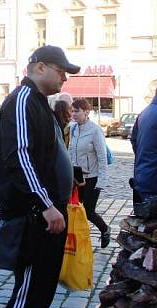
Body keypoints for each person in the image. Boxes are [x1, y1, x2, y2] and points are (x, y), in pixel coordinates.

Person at [0, 45, 78, 308]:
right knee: (27, 293)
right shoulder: (23, 99)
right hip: (32, 216)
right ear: (38, 67)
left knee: (42, 291)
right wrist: (45, 204)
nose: (64, 77)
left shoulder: (39, 103)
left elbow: (45, 152)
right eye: (61, 70)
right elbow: (19, 157)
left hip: (47, 214)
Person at [68, 98, 110, 248]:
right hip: (76, 177)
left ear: (86, 112)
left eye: (76, 111)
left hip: (92, 177)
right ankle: (78, 240)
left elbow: (102, 157)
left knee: (88, 211)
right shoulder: (73, 128)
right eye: (72, 111)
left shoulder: (95, 130)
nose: (73, 114)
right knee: (76, 210)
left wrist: (102, 181)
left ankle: (105, 229)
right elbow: (70, 152)